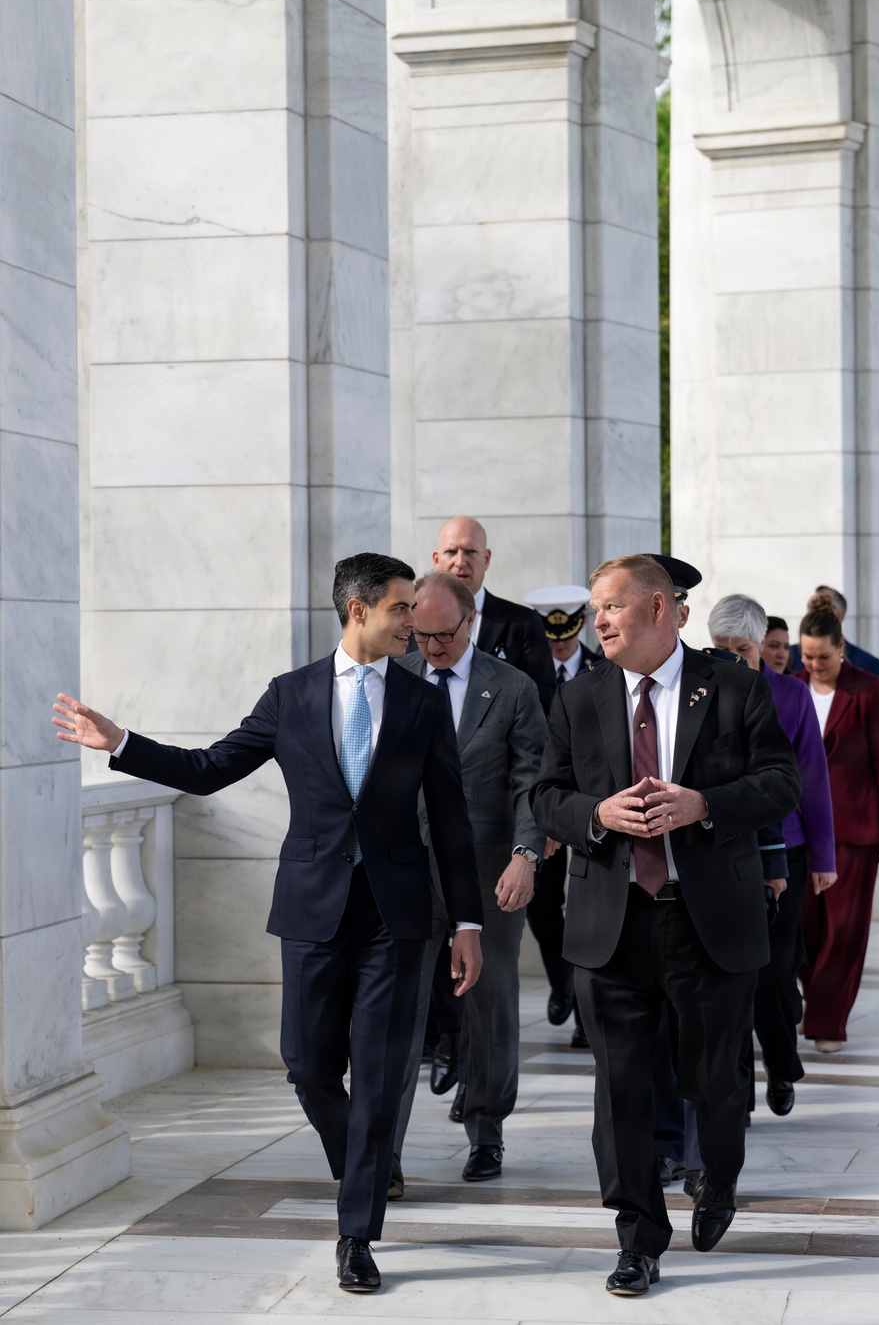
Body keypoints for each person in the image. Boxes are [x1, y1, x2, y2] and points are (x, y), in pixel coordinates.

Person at [52, 553, 483, 1295]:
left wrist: (468, 921)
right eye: (401, 608)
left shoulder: (421, 703)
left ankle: (356, 1234)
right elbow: (211, 766)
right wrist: (122, 744)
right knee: (308, 1066)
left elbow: (450, 820)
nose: (414, 622)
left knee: (379, 1074)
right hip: (312, 907)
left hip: (397, 916)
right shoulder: (291, 696)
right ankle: (364, 1166)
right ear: (359, 611)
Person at [531, 554, 800, 1297]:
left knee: (713, 1080)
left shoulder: (735, 687)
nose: (599, 622)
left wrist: (705, 804)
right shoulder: (579, 699)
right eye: (595, 610)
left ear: (657, 609)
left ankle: (717, 1178)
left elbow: (783, 782)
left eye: (611, 607)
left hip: (706, 921)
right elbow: (545, 795)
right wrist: (594, 814)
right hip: (609, 924)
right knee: (619, 1091)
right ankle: (637, 1238)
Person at [393, 570, 547, 1184]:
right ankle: (388, 1150)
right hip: (404, 870)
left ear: (472, 622)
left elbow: (531, 780)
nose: (430, 647)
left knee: (491, 1004)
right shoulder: (392, 677)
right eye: (419, 634)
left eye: (443, 634)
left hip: (487, 871)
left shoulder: (511, 689)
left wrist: (524, 854)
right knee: (397, 1010)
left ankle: (487, 1131)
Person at [708, 594, 836, 1115]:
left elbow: (813, 781)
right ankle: (737, 1088)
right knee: (731, 974)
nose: (734, 657)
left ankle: (781, 1064)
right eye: (723, 647)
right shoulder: (699, 688)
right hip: (723, 851)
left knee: (776, 971)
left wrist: (825, 855)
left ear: (761, 645)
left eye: (743, 648)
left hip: (791, 854)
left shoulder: (791, 696)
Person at [792, 593, 879, 1053]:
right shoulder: (792, 687)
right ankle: (815, 998)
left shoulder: (867, 689)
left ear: (841, 648)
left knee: (844, 931)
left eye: (823, 656)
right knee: (803, 928)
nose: (814, 664)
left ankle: (826, 1021)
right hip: (800, 828)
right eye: (807, 656)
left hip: (856, 830)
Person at [523, 586, 603, 1042]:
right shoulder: (525, 674)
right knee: (544, 911)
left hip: (595, 811)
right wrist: (546, 820)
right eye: (551, 635)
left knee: (590, 914)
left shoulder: (604, 670)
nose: (559, 643)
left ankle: (586, 1018)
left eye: (567, 633)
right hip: (549, 809)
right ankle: (564, 984)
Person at [432, 516, 555, 711]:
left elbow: (541, 703)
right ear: (436, 559)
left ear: (486, 558)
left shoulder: (522, 623)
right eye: (451, 551)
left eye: (470, 552)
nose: (460, 562)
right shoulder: (413, 622)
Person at [787, 586, 879, 676]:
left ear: (840, 615)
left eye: (825, 611)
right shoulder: (788, 657)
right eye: (813, 611)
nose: (816, 665)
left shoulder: (867, 664)